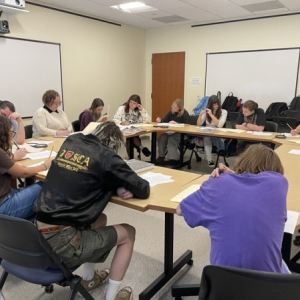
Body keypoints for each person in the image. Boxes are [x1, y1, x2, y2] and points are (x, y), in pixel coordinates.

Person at [34, 121, 150, 300]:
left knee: (100, 219)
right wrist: (119, 184)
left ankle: (88, 279)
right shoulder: (107, 157)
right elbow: (143, 188)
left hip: (38, 233)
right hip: (62, 241)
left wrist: (114, 184)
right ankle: (111, 297)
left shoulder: (72, 141)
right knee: (128, 233)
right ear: (115, 146)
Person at [177, 144, 289, 274]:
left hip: (221, 284)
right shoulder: (279, 185)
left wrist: (223, 179)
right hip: (268, 288)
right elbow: (258, 184)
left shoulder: (218, 183)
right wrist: (235, 175)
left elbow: (179, 210)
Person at [0, 114, 52, 219]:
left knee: (31, 191)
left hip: (4, 199)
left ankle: (26, 226)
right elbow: (23, 173)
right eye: (11, 133)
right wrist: (45, 166)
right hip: (4, 206)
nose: (11, 136)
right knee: (47, 185)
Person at [113, 94, 151, 159]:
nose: (131, 104)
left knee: (132, 137)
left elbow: (148, 120)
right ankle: (142, 148)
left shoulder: (139, 110)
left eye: (134, 103)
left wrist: (142, 110)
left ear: (137, 104)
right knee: (129, 139)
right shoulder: (122, 108)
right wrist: (122, 122)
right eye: (130, 102)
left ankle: (131, 158)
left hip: (134, 130)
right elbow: (114, 119)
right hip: (124, 131)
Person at [195, 95, 228, 167]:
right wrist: (200, 115)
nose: (216, 106)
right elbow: (198, 124)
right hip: (208, 131)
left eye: (217, 104)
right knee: (207, 138)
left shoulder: (224, 112)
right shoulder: (207, 111)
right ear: (210, 105)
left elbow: (219, 125)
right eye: (214, 105)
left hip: (218, 132)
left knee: (210, 138)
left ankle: (217, 155)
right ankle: (209, 160)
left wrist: (211, 115)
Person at [156, 99, 190, 163]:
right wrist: (160, 120)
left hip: (182, 134)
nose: (173, 108)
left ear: (180, 108)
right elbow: (165, 120)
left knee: (172, 139)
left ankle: (174, 159)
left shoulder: (185, 114)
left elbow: (187, 126)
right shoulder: (171, 112)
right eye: (172, 106)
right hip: (171, 132)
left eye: (175, 107)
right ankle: (161, 156)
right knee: (162, 137)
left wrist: (177, 124)